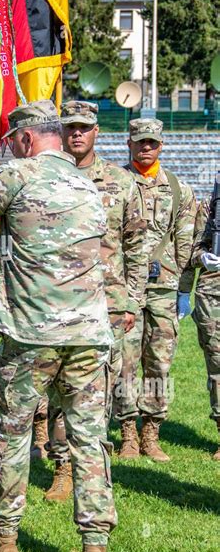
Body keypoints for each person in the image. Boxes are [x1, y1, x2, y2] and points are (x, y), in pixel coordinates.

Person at [0, 100, 118, 552]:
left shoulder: (16, 176)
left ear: (24, 140)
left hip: (30, 337)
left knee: (12, 435)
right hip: (88, 336)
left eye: (10, 142)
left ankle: (5, 541)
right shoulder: (89, 185)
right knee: (89, 443)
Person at [42, 101, 149, 503]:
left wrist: (133, 300)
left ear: (97, 132)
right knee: (57, 384)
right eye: (70, 127)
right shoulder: (49, 177)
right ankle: (62, 468)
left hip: (108, 303)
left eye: (84, 128)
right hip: (60, 298)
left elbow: (136, 245)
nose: (77, 134)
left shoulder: (121, 182)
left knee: (99, 388)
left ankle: (91, 466)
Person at [117, 118, 196, 461]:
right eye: (140, 142)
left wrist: (181, 288)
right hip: (124, 287)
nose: (146, 147)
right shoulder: (117, 183)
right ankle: (127, 434)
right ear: (129, 143)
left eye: (152, 142)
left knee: (159, 364)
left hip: (163, 288)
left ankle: (151, 432)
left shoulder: (179, 189)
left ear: (161, 145)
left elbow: (186, 241)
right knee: (124, 363)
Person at [189, 197, 220, 460]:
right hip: (213, 295)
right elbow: (193, 249)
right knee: (218, 365)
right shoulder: (212, 206)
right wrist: (204, 257)